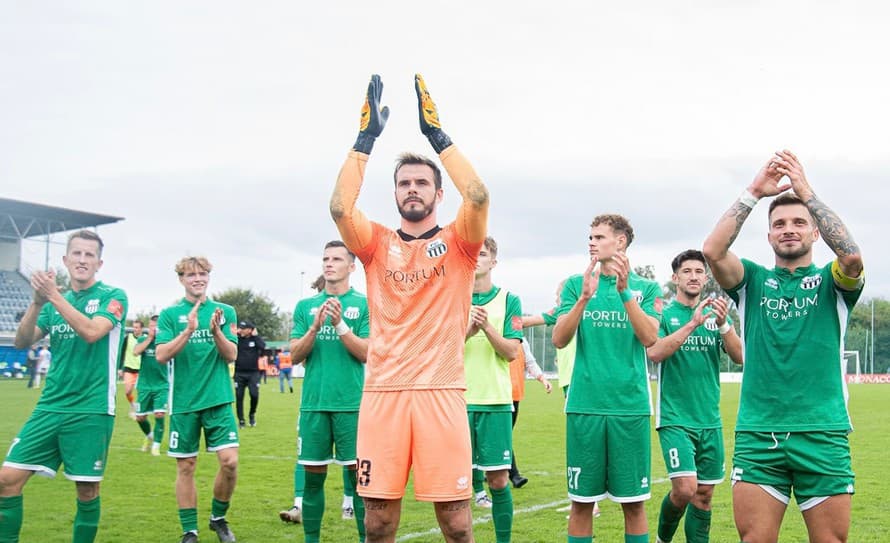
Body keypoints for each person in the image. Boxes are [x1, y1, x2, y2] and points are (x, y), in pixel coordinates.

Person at [330, 73, 489, 543]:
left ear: (439, 194)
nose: (412, 189)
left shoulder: (460, 243)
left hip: (441, 391)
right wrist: (365, 139)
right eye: (404, 183)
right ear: (395, 193)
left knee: (457, 524)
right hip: (383, 394)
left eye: (422, 183)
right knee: (378, 523)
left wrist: (437, 137)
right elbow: (341, 207)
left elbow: (478, 195)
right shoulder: (375, 243)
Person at [702, 150, 864, 543]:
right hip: (759, 435)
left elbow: (852, 257)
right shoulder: (752, 281)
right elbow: (712, 252)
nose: (788, 229)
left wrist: (806, 192)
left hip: (822, 431)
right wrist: (754, 192)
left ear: (814, 233)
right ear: (770, 235)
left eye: (798, 223)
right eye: (779, 224)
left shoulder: (832, 282)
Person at [1, 229, 127, 543]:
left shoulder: (114, 296)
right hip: (50, 405)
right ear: (65, 259)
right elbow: (21, 341)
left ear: (99, 263)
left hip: (91, 408)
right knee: (6, 480)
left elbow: (92, 332)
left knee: (86, 489)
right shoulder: (53, 303)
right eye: (77, 254)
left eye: (89, 255)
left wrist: (53, 296)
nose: (82, 260)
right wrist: (36, 303)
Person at [552, 214, 661, 543]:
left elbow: (649, 338)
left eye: (599, 237)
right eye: (590, 237)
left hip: (630, 409)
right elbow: (558, 338)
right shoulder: (576, 284)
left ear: (621, 242)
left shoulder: (647, 288)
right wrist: (584, 298)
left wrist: (626, 294)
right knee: (581, 504)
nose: (591, 242)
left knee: (634, 505)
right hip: (585, 407)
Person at [646, 250, 743, 543]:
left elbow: (740, 357)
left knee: (704, 496)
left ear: (706, 277)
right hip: (675, 418)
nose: (693, 276)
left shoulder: (716, 315)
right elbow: (655, 352)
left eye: (699, 271)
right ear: (676, 278)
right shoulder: (663, 314)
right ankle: (663, 539)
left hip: (709, 420)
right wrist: (692, 324)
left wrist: (725, 324)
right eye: (687, 271)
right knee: (685, 489)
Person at [279, 240, 370, 543]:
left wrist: (340, 324)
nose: (329, 264)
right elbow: (294, 355)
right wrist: (315, 327)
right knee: (313, 480)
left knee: (359, 482)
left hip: (352, 405)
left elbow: (368, 352)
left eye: (336, 259)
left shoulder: (365, 304)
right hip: (314, 405)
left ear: (351, 267)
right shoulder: (306, 307)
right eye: (325, 259)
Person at [155, 256, 239, 543]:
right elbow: (161, 354)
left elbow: (231, 355)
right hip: (184, 404)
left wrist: (215, 331)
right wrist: (188, 330)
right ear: (181, 279)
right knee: (186, 466)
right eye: (191, 275)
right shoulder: (169, 315)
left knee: (230, 463)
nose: (198, 279)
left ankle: (218, 518)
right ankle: (189, 530)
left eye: (203, 274)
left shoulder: (224, 311)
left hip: (218, 400)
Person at [462, 236, 522, 542]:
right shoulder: (451, 298)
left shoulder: (509, 300)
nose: (476, 259)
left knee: (498, 481)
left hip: (495, 403)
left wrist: (486, 328)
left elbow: (512, 352)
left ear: (493, 262)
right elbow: (440, 351)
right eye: (471, 253)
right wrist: (467, 332)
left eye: (482, 254)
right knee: (456, 485)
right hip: (456, 403)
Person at [508, 338, 553, 489]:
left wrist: (542, 378)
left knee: (503, 435)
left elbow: (530, 362)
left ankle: (493, 469)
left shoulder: (521, 340)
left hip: (514, 395)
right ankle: (514, 475)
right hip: (498, 395)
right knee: (504, 436)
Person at [132, 315, 168, 456]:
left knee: (159, 414)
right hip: (145, 385)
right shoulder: (143, 339)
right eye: (152, 326)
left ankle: (156, 447)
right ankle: (150, 436)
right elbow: (135, 352)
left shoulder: (165, 341)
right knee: (140, 417)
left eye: (157, 326)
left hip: (161, 384)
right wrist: (149, 338)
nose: (154, 329)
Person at [233, 320, 265, 428]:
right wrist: (235, 333)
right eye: (240, 328)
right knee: (239, 397)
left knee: (254, 394)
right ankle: (241, 420)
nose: (241, 330)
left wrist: (256, 336)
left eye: (243, 328)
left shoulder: (255, 339)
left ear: (250, 330)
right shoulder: (237, 339)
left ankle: (252, 415)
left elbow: (263, 347)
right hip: (239, 373)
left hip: (253, 373)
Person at [119, 320, 144, 418]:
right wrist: (120, 368)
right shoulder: (128, 338)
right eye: (134, 327)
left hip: (141, 369)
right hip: (128, 367)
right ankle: (133, 405)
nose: (135, 329)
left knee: (141, 392)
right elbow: (122, 352)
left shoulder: (145, 339)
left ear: (141, 328)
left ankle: (139, 411)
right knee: (128, 391)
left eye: (137, 327)